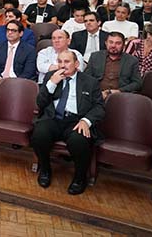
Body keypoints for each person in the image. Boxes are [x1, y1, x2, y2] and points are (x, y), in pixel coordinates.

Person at [31, 50, 104, 195]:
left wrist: (86, 121)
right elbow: (40, 103)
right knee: (39, 134)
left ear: (76, 64)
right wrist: (52, 84)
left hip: (76, 120)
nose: (62, 65)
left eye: (67, 62)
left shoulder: (90, 82)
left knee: (79, 140)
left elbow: (99, 107)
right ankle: (45, 169)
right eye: (60, 62)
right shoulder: (51, 77)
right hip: (54, 118)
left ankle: (79, 178)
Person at [85, 32, 142, 99]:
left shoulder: (132, 60)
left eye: (118, 43)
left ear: (123, 45)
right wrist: (97, 92)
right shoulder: (95, 56)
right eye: (111, 42)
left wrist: (119, 91)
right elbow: (86, 78)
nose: (113, 46)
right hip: (96, 95)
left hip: (121, 97)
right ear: (106, 43)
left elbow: (137, 83)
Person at [0, 21, 37, 93]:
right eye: (8, 30)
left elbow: (29, 71)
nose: (9, 32)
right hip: (0, 81)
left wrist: (14, 82)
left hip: (19, 82)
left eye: (13, 30)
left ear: (21, 33)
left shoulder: (29, 50)